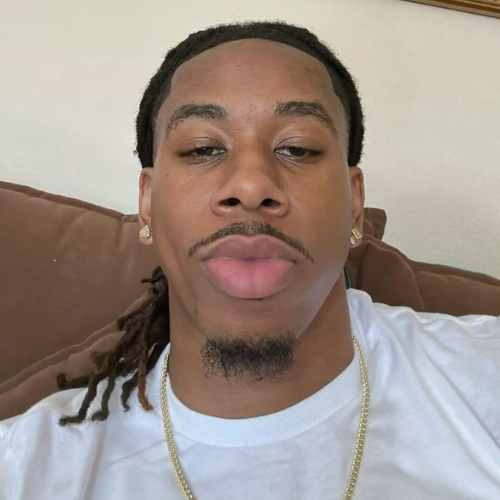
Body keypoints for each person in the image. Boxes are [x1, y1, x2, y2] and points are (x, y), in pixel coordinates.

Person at [1, 20, 499, 500]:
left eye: (298, 148)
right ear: (147, 203)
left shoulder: (483, 375)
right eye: (202, 149)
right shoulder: (28, 466)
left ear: (354, 202)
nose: (251, 185)